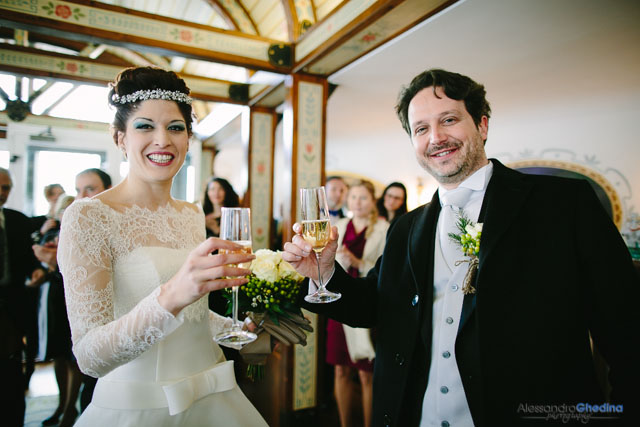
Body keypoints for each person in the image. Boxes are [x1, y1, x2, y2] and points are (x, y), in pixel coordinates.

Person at [283, 69, 640, 426]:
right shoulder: (406, 227)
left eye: (449, 120)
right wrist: (325, 272)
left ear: (482, 126)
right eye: (421, 129)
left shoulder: (563, 205)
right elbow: (375, 307)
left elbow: (625, 328)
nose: (436, 137)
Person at [57, 66, 267, 426]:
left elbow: (193, 316)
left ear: (188, 139)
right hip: (141, 408)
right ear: (120, 138)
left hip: (214, 396)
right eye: (144, 126)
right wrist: (171, 294)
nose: (162, 140)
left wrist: (243, 330)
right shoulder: (88, 217)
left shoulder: (191, 213)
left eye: (175, 128)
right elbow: (90, 357)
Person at [329, 180, 388, 427]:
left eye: (363, 197)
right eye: (353, 197)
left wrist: (357, 262)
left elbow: (386, 270)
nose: (357, 202)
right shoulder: (338, 226)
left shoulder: (384, 229)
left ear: (372, 200)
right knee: (341, 370)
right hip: (339, 301)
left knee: (366, 374)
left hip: (364, 301)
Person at [30, 195, 80, 427]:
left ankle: (70, 408)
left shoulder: (83, 234)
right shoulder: (50, 234)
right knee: (58, 353)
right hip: (53, 298)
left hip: (75, 296)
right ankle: (61, 404)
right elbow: (35, 259)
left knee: (74, 355)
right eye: (64, 209)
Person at [0, 167, 41, 427]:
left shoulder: (17, 221)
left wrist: (37, 271)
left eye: (5, 188)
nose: (1, 193)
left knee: (11, 383)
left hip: (11, 313)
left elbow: (29, 261)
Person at [72, 168, 112, 412]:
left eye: (90, 188)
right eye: (78, 190)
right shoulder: (79, 221)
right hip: (89, 320)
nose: (82, 196)